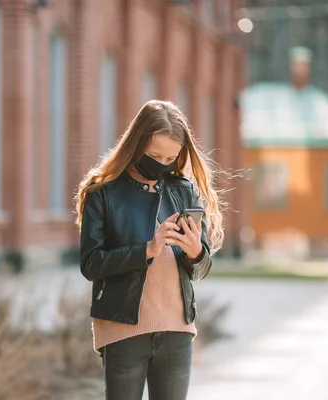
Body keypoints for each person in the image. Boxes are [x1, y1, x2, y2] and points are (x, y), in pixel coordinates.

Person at [74, 100, 224, 400]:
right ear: (136, 144)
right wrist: (147, 249)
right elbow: (91, 264)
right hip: (123, 327)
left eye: (171, 157)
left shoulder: (184, 190)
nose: (163, 163)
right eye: (155, 155)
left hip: (177, 328)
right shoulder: (103, 193)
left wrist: (196, 251)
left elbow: (201, 268)